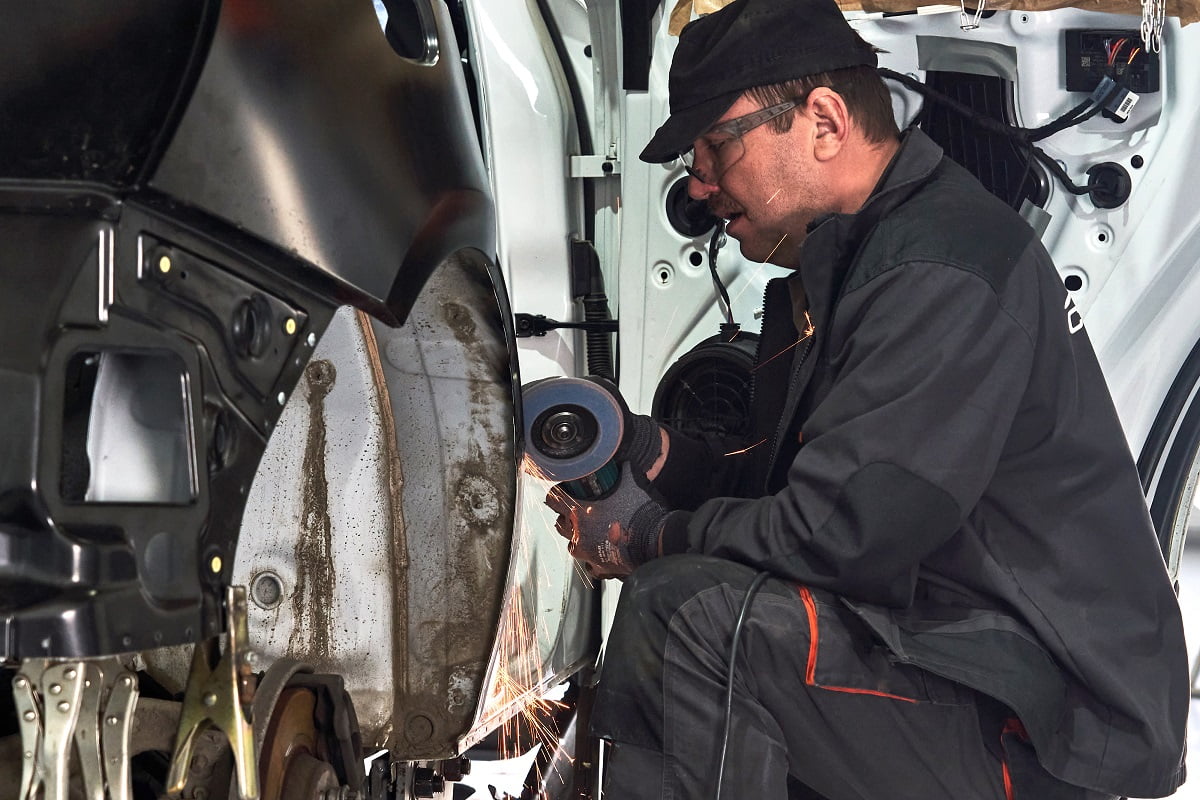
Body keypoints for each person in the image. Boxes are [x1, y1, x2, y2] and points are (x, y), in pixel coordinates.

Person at [544, 0, 1189, 797]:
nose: (701, 184)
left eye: (715, 146)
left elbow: (837, 536)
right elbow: (803, 492)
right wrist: (658, 458)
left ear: (822, 120)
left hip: (1047, 720)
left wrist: (651, 538)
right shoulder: (857, 266)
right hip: (950, 658)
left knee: (688, 616)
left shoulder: (940, 269)